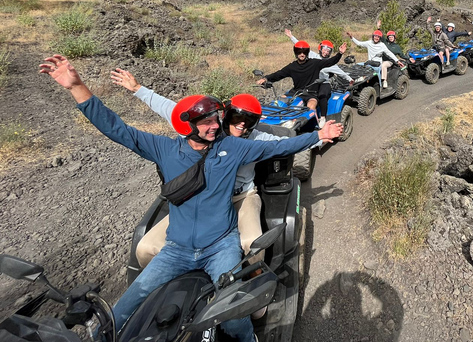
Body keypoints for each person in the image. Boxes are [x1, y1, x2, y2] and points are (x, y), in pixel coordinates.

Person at [40, 54, 343, 342]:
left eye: (217, 120)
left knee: (235, 316)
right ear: (188, 126)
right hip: (176, 250)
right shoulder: (166, 149)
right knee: (118, 315)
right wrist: (78, 87)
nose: (216, 127)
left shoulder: (232, 149)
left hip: (220, 247)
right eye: (209, 122)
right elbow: (117, 129)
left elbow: (279, 148)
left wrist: (318, 135)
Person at [110, 69, 284, 269]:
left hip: (241, 196)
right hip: (201, 196)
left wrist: (320, 136)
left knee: (252, 242)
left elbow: (285, 143)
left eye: (249, 121)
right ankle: (157, 290)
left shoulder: (257, 139)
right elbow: (170, 109)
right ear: (225, 115)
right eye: (236, 118)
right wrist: (138, 89)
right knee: (145, 247)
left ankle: (252, 284)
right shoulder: (207, 129)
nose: (241, 125)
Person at [256, 40, 347, 127]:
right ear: (296, 53)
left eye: (304, 52)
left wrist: (340, 54)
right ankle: (270, 122)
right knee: (279, 101)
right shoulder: (292, 66)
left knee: (311, 106)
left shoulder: (314, 63)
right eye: (299, 52)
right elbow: (279, 74)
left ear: (307, 53)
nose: (302, 54)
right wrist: (266, 78)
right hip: (296, 92)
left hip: (311, 93)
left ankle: (315, 128)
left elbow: (329, 62)